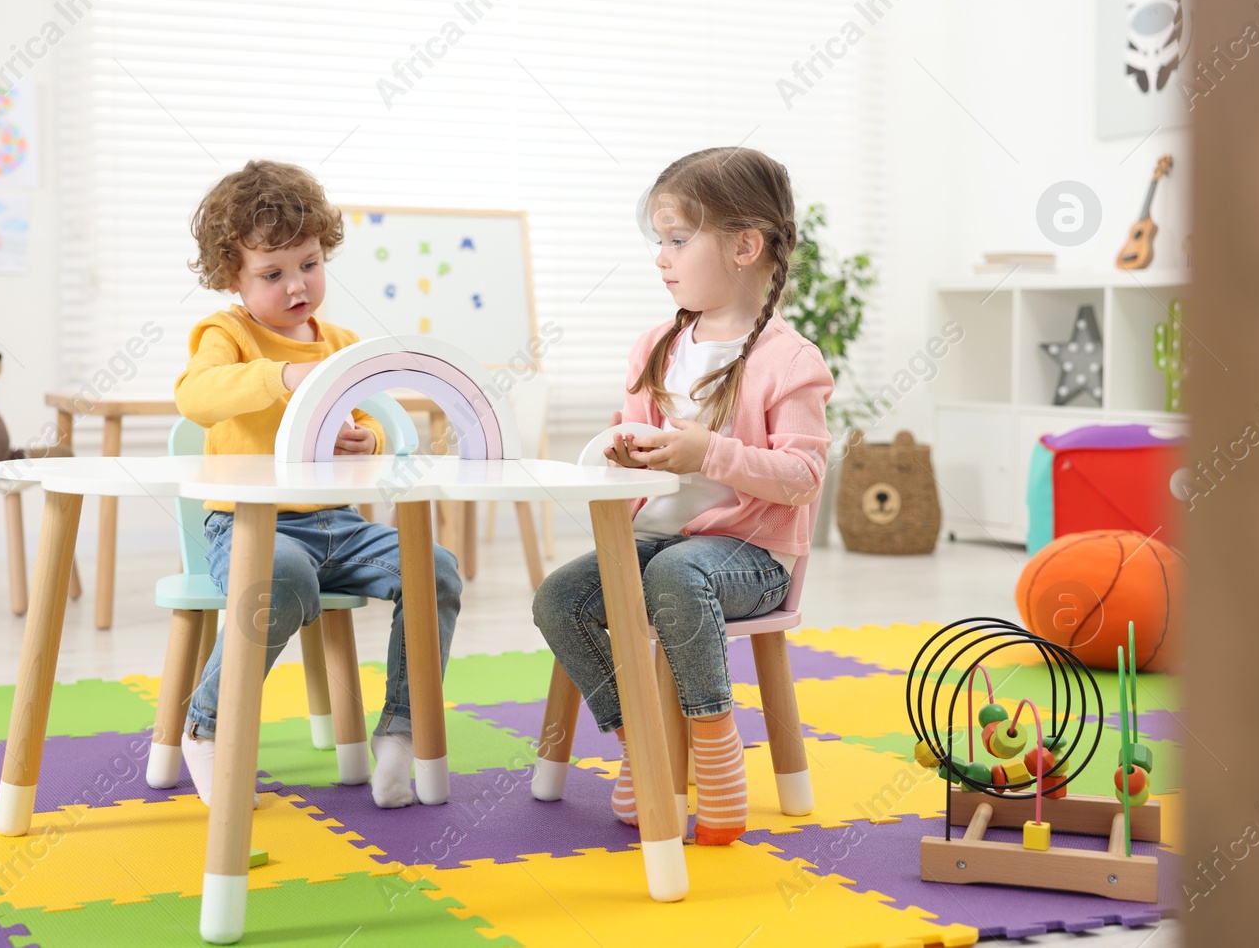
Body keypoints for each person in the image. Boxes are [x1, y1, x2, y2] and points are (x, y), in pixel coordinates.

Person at [532, 147, 832, 845]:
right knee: (559, 599)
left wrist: (710, 453)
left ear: (744, 246)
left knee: (674, 572)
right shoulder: (655, 345)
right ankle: (642, 736)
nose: (661, 257)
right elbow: (627, 433)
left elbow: (804, 477)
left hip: (752, 558)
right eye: (658, 242)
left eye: (676, 239)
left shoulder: (790, 360)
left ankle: (715, 748)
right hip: (662, 542)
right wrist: (620, 449)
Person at [175, 159, 463, 809]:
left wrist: (369, 441)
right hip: (252, 527)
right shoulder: (229, 334)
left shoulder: (340, 342)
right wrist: (281, 377)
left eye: (307, 263)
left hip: (341, 526)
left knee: (435, 569)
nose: (297, 285)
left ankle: (401, 731)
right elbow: (196, 396)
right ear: (232, 277)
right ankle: (207, 725)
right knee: (283, 579)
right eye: (272, 274)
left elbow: (371, 428)